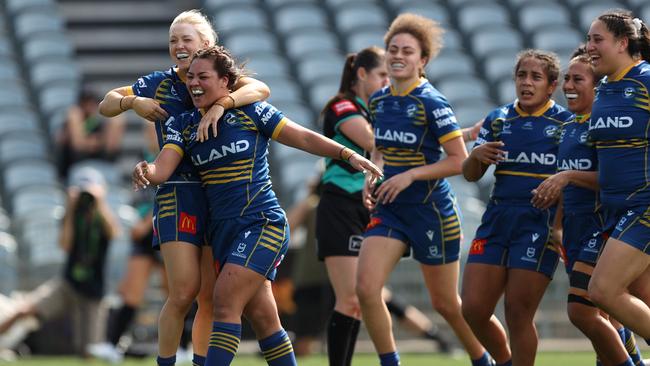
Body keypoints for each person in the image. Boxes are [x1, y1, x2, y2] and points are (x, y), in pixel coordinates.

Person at [131, 45, 382, 366]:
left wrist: (349, 154)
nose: (193, 82)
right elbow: (163, 168)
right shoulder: (183, 125)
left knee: (223, 301)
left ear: (225, 82)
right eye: (190, 76)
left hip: (262, 224)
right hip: (222, 233)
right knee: (263, 318)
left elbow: (302, 137)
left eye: (203, 76)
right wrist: (146, 170)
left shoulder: (250, 111)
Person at [98, 9, 270, 366]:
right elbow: (106, 104)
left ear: (207, 44)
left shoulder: (216, 80)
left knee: (208, 295)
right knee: (183, 292)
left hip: (214, 194)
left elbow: (261, 89)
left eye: (185, 39)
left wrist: (221, 105)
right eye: (173, 40)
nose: (178, 45)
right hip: (176, 192)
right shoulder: (159, 83)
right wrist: (133, 102)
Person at [354, 13, 491, 366]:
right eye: (392, 49)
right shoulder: (380, 100)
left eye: (407, 51)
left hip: (431, 211)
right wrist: (375, 173)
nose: (398, 55)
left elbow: (459, 160)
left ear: (423, 60)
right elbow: (380, 148)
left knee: (446, 304)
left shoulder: (432, 102)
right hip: (391, 210)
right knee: (366, 290)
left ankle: (482, 359)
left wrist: (411, 176)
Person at [316, 45, 457, 366]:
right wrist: (446, 135)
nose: (385, 81)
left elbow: (405, 140)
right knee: (352, 297)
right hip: (340, 206)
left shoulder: (379, 108)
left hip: (367, 205)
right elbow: (376, 142)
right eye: (381, 74)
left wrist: (451, 135)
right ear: (361, 74)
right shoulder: (342, 106)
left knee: (364, 296)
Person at [531, 45, 644, 366]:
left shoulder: (606, 125)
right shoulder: (569, 126)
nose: (568, 86)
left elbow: (609, 176)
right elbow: (568, 186)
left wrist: (566, 176)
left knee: (582, 310)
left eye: (577, 79)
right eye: (566, 78)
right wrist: (557, 225)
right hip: (576, 230)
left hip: (604, 224)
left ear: (598, 86)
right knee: (605, 314)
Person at [461, 48, 574, 366]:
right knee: (473, 308)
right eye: (521, 75)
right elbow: (470, 176)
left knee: (517, 312)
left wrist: (559, 224)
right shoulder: (498, 119)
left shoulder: (565, 124)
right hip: (497, 218)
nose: (526, 82)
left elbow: (572, 182)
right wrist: (475, 157)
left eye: (535, 77)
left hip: (538, 223)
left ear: (551, 85)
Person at [0, 167, 119, 357]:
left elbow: (114, 232)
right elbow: (64, 245)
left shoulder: (102, 216)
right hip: (68, 284)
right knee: (23, 310)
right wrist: (70, 209)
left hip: (93, 292)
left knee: (89, 351)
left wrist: (100, 202)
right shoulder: (71, 215)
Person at [585, 9, 650, 349]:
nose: (589, 46)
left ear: (623, 43)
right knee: (643, 297)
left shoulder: (646, 79)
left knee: (602, 290)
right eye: (588, 39)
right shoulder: (606, 89)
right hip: (614, 211)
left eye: (597, 39)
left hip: (644, 207)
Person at [56, 88, 125, 178]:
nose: (89, 107)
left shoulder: (99, 121)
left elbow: (110, 146)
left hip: (102, 164)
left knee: (117, 118)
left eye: (92, 103)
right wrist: (90, 143)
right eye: (86, 103)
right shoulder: (73, 119)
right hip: (74, 166)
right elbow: (77, 145)